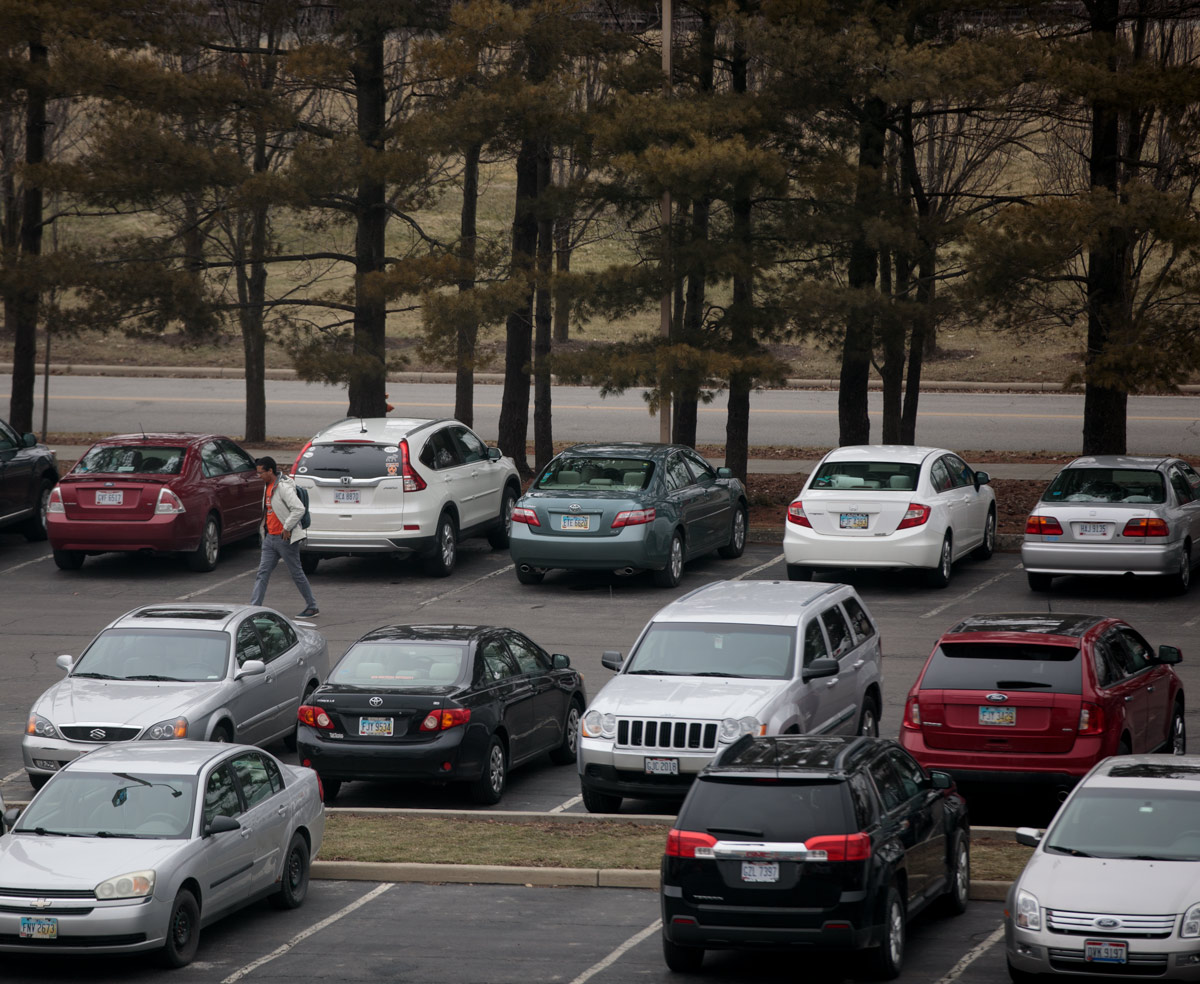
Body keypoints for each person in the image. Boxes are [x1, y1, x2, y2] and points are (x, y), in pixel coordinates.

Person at [249, 456, 318, 617]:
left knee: (296, 573)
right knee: (262, 573)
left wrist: (287, 527)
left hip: (284, 539)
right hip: (270, 538)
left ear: (270, 471)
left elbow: (298, 509)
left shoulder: (283, 488)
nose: (259, 476)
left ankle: (312, 606)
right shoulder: (267, 486)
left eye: (261, 473)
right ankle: (254, 608)